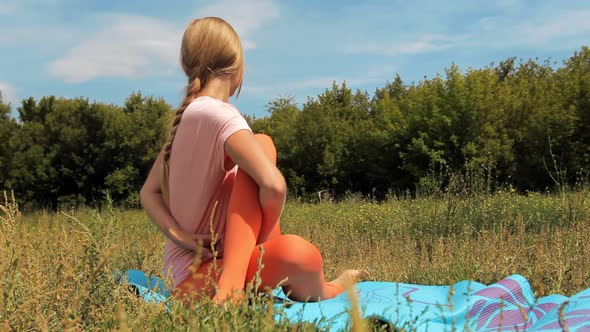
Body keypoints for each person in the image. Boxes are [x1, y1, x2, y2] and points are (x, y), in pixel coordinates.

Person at [140, 17, 363, 303]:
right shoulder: (223, 117)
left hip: (181, 279)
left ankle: (330, 282)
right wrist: (264, 236)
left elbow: (148, 192)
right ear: (237, 66)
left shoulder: (184, 121)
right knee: (264, 146)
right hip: (209, 279)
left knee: (259, 155)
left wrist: (181, 237)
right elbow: (275, 186)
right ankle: (323, 287)